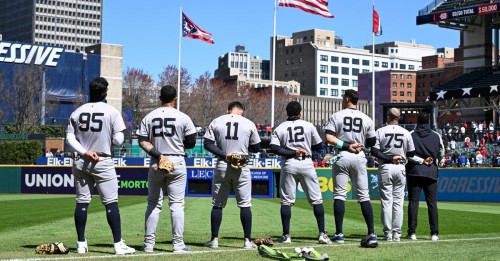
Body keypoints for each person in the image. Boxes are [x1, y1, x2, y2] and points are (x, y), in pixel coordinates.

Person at [66, 77, 135, 255]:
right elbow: (119, 140)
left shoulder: (77, 112)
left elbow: (69, 138)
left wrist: (84, 152)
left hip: (82, 160)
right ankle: (118, 244)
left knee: (82, 202)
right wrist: (113, 138)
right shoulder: (111, 111)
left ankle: (81, 243)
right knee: (111, 202)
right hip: (102, 160)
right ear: (105, 92)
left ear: (90, 91)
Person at [136, 85, 196, 253]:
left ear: (160, 98)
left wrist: (158, 154)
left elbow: (142, 140)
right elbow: (191, 142)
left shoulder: (149, 116)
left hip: (157, 161)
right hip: (176, 160)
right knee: (177, 204)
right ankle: (177, 245)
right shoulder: (183, 117)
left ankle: (148, 245)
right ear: (175, 98)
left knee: (153, 203)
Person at [270, 101, 331, 245]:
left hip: (290, 163)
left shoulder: (280, 127)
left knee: (286, 201)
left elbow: (274, 147)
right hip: (307, 163)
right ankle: (322, 234)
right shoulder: (308, 125)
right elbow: (318, 145)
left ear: (287, 112)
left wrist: (292, 151)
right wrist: (304, 145)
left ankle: (286, 236)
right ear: (300, 113)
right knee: (316, 200)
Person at [203, 101, 261, 249]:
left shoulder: (217, 120)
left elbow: (208, 144)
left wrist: (224, 154)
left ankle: (214, 240)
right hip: (242, 164)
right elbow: (256, 147)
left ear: (228, 110)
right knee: (245, 204)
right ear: (242, 111)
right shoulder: (248, 123)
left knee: (217, 204)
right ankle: (247, 241)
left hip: (223, 163)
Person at [324, 89, 377, 245]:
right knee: (364, 196)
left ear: (347, 98)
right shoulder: (366, 118)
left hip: (342, 155)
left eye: (343, 97)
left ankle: (339, 234)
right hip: (359, 156)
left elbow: (329, 137)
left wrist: (347, 145)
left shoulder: (337, 115)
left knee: (340, 195)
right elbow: (372, 142)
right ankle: (372, 233)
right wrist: (359, 145)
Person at [370, 108, 426, 242]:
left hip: (386, 167)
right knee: (398, 203)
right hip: (401, 167)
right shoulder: (406, 133)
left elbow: (374, 151)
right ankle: (397, 234)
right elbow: (411, 154)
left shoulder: (380, 131)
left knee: (386, 202)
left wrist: (389, 157)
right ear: (399, 118)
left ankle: (388, 233)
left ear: (388, 117)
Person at [406, 111, 444, 241]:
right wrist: (433, 161)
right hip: (431, 171)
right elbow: (441, 154)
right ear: (428, 121)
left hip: (415, 171)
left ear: (418, 120)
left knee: (413, 202)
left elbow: (408, 155)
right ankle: (434, 233)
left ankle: (412, 233)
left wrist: (421, 161)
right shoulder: (436, 135)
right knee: (432, 203)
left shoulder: (411, 134)